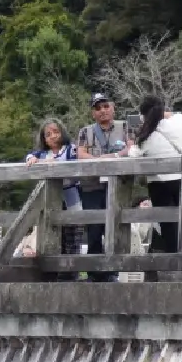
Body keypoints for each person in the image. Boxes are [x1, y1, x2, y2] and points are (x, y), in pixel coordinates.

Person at [75, 94, 129, 270]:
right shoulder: (85, 131)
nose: (102, 111)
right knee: (94, 228)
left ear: (113, 108)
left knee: (117, 227)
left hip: (119, 185)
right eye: (98, 108)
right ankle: (93, 271)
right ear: (93, 113)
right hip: (92, 185)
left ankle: (115, 270)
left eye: (106, 106)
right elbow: (81, 155)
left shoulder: (125, 127)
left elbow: (131, 148)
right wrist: (105, 158)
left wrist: (109, 156)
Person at [132, 96, 182, 256]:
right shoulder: (176, 125)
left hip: (158, 183)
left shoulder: (146, 135)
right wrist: (165, 115)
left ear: (143, 114)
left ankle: (173, 258)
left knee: (167, 224)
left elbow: (133, 155)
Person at [27, 119, 83, 261]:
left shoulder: (71, 149)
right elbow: (29, 158)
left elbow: (72, 165)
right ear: (43, 138)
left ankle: (72, 269)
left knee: (73, 231)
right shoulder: (42, 153)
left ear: (62, 132)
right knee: (53, 231)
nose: (52, 136)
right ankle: (54, 270)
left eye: (56, 132)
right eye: (48, 134)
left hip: (70, 194)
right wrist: (34, 159)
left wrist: (51, 163)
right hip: (50, 198)